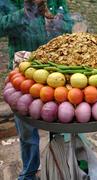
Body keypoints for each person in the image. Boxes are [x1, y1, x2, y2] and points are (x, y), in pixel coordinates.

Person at [0, 0, 72, 179]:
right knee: (26, 129)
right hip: (23, 73)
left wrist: (59, 23)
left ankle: (59, 167)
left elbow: (69, 26)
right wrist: (26, 11)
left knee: (60, 122)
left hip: (56, 73)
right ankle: (30, 172)